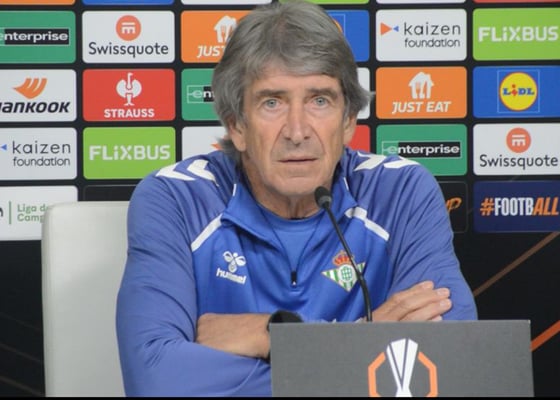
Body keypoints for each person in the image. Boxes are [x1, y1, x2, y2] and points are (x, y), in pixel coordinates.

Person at [116, 0, 477, 396]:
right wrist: (366, 346)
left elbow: (449, 360)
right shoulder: (175, 198)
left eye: (319, 100)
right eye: (272, 102)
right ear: (236, 125)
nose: (297, 131)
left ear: (348, 120)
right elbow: (156, 381)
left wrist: (274, 334)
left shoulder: (401, 191)